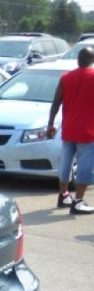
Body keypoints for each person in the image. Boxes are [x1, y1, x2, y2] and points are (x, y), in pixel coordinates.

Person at [47, 46, 94, 215]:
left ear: (78, 60)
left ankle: (64, 195)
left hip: (68, 128)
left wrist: (50, 124)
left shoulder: (65, 78)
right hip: (88, 131)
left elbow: (56, 103)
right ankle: (79, 201)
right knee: (85, 166)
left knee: (66, 163)